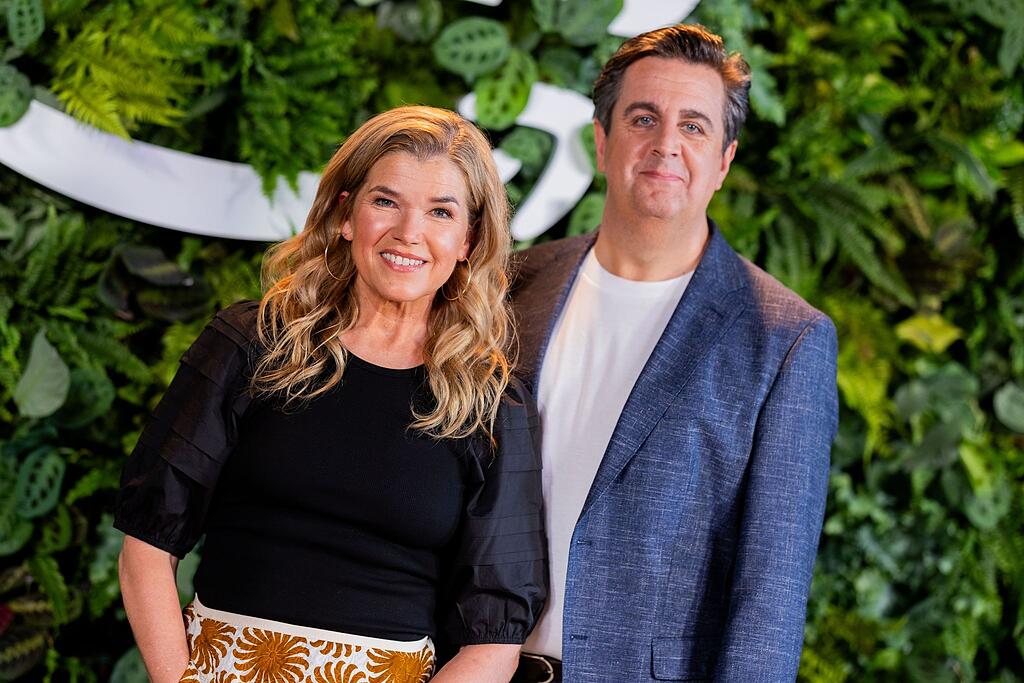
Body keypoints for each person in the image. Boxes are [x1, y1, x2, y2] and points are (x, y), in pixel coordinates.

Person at [115, 105, 547, 683]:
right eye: (385, 201)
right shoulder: (250, 344)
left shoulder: (491, 407)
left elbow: (493, 642)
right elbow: (147, 545)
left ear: (468, 240)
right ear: (346, 214)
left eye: (441, 212)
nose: (408, 233)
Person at [510, 25, 838, 682]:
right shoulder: (511, 286)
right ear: (602, 142)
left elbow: (768, 605)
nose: (666, 143)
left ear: (723, 161)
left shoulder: (784, 340)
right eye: (643, 118)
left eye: (694, 126)